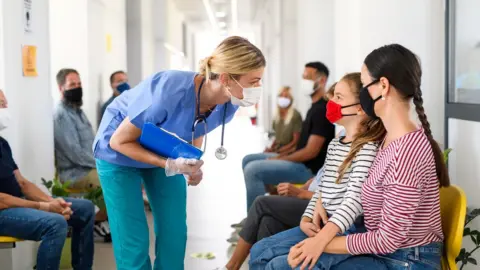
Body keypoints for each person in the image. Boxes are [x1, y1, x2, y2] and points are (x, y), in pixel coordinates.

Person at [93, 36, 266, 269]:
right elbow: (119, 141)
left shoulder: (230, 103)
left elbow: (197, 123)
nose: (257, 88)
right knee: (132, 237)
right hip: (118, 151)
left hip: (161, 147)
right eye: (253, 81)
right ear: (226, 78)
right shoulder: (169, 90)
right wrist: (168, 164)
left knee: (174, 231)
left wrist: (191, 161)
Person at [282, 44, 448, 270]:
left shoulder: (406, 153)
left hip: (405, 260)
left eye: (364, 85)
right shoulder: (387, 138)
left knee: (289, 264)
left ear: (383, 86)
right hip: (387, 252)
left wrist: (322, 243)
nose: (361, 96)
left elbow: (388, 240)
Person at [249, 72, 385, 269]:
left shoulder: (367, 148)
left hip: (346, 230)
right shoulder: (336, 143)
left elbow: (355, 201)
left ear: (360, 109)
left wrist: (322, 237)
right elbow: (323, 188)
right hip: (321, 224)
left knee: (278, 264)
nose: (331, 103)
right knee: (258, 251)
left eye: (338, 97)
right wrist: (306, 219)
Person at [225, 83, 345, 269]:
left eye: (338, 98)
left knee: (261, 202)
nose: (330, 104)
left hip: (315, 202)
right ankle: (252, 231)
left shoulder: (360, 147)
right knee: (267, 221)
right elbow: (325, 177)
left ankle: (232, 265)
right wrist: (308, 184)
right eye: (332, 98)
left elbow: (340, 197)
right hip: (311, 193)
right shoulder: (340, 138)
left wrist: (301, 194)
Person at [0, 89, 95, 270]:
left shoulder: (2, 143)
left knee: (84, 209)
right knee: (55, 223)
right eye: (1, 104)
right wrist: (44, 207)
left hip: (18, 203)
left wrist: (53, 202)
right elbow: (2, 199)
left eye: (5, 104)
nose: (5, 109)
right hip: (3, 211)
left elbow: (22, 183)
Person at [237, 61, 335, 226]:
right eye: (303, 77)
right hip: (299, 161)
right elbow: (300, 145)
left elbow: (310, 152)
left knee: (253, 170)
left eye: (308, 77)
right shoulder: (314, 108)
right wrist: (281, 155)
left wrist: (280, 159)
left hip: (307, 169)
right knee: (248, 159)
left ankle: (253, 224)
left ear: (322, 80)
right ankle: (265, 206)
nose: (304, 81)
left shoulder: (322, 110)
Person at [53, 68, 111, 242]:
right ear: (61, 88)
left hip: (89, 166)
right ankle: (95, 222)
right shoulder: (61, 115)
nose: (77, 87)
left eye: (79, 84)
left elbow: (91, 143)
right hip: (74, 173)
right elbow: (75, 153)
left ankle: (99, 221)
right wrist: (101, 163)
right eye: (72, 84)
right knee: (110, 181)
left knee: (120, 176)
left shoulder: (78, 111)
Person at [265, 86, 303, 155]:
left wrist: (278, 151)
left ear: (291, 99)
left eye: (286, 96)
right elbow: (277, 138)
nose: (283, 98)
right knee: (248, 159)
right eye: (281, 96)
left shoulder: (295, 115)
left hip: (288, 151)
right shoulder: (277, 115)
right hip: (277, 149)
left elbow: (295, 141)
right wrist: (271, 148)